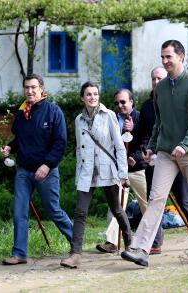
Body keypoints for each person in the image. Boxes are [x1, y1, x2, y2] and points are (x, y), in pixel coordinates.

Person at [121, 40, 188, 267]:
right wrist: (151, 146)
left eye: (168, 56)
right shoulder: (159, 89)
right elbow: (159, 123)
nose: (164, 61)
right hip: (167, 153)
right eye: (162, 57)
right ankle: (141, 249)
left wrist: (186, 144)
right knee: (156, 198)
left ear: (180, 56)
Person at [0, 74, 73, 265]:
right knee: (19, 212)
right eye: (26, 87)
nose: (30, 91)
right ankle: (19, 253)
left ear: (41, 89)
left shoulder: (53, 111)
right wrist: (9, 147)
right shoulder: (22, 113)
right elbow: (20, 139)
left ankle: (76, 243)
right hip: (23, 171)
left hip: (46, 171)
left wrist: (47, 165)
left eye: (33, 87)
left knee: (53, 210)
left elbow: (60, 143)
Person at [60, 81, 132, 268]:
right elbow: (79, 150)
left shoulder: (108, 116)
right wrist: (78, 176)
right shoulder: (78, 120)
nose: (93, 97)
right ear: (82, 98)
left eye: (95, 94)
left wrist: (123, 174)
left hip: (107, 170)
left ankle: (131, 245)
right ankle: (75, 254)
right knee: (80, 212)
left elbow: (119, 147)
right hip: (86, 172)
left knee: (117, 209)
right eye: (89, 94)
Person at [138, 66, 188, 255]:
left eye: (159, 78)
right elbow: (145, 132)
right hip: (154, 160)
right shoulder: (146, 106)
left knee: (185, 200)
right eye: (153, 79)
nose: (155, 82)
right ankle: (154, 242)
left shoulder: (175, 99)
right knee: (154, 202)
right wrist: (147, 150)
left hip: (177, 158)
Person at [96, 89, 147, 254]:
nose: (120, 105)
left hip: (138, 168)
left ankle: (151, 240)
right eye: (117, 103)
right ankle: (112, 242)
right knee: (115, 206)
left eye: (123, 102)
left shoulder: (141, 117)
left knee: (147, 204)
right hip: (118, 170)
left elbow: (147, 141)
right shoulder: (111, 119)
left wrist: (135, 156)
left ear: (131, 101)